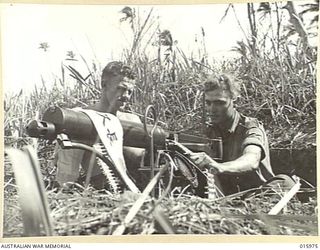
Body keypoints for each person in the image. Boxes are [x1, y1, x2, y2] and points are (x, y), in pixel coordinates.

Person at [187, 74, 295, 195]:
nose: (212, 109)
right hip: (225, 197)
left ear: (234, 100)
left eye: (219, 103)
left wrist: (219, 167)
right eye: (208, 103)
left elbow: (251, 159)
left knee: (285, 181)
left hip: (258, 194)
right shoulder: (206, 132)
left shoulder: (250, 127)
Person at [54, 61, 144, 190]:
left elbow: (145, 158)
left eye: (130, 92)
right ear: (104, 84)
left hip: (140, 187)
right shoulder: (81, 118)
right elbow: (67, 168)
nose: (126, 96)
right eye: (121, 89)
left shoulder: (132, 120)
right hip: (105, 190)